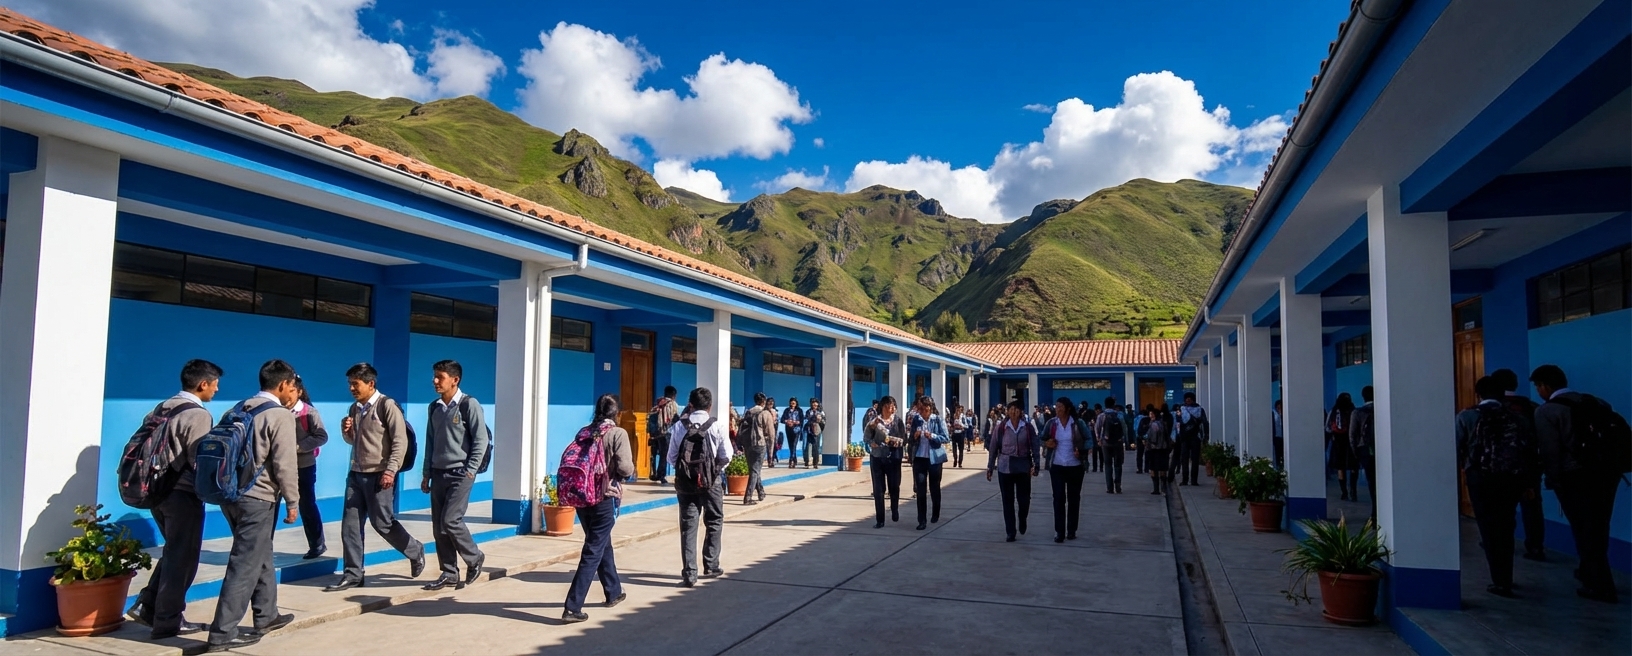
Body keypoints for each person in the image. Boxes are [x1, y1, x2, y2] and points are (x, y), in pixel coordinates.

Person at [206, 360, 300, 652]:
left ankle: (267, 614)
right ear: (283, 385)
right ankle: (222, 633)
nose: (292, 392)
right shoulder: (279, 416)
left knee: (261, 553)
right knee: (244, 563)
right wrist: (293, 502)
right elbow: (285, 464)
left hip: (231, 496)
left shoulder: (236, 409)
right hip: (258, 499)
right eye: (291, 387)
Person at [129, 360, 221, 639]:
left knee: (173, 551)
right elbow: (199, 460)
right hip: (182, 493)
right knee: (183, 558)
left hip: (156, 491)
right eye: (215, 384)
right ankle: (168, 621)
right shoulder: (198, 415)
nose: (217, 390)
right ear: (203, 384)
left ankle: (148, 604)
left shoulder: (161, 408)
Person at [325, 363, 426, 592]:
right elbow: (354, 442)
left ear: (370, 384)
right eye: (350, 383)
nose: (351, 388)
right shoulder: (355, 408)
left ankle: (414, 549)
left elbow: (400, 441)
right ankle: (353, 574)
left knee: (382, 523)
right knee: (350, 526)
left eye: (355, 384)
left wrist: (391, 470)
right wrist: (347, 431)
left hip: (380, 474)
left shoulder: (387, 406)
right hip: (356, 474)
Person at [1530, 364, 1623, 603]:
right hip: (1607, 474)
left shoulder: (1547, 412)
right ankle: (1589, 572)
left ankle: (1599, 584)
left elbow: (1550, 451)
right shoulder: (1598, 403)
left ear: (1545, 386)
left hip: (1574, 477)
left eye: (1538, 387)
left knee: (1583, 529)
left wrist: (1551, 479)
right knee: (1599, 527)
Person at [1456, 376, 1538, 598]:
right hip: (1511, 479)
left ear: (1478, 394)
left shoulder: (1468, 416)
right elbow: (1529, 451)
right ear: (1503, 395)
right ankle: (1507, 576)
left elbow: (1457, 446)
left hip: (1480, 479)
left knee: (1488, 527)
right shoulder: (1518, 418)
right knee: (1506, 525)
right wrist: (1530, 483)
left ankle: (1499, 579)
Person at [561, 394, 635, 622]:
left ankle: (613, 591)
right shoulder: (617, 433)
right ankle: (572, 607)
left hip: (582, 497)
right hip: (604, 498)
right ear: (617, 413)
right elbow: (625, 468)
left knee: (603, 544)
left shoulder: (584, 432)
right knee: (593, 550)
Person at [420, 360, 489, 591]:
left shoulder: (469, 405)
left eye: (440, 377)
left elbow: (481, 440)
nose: (435, 381)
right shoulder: (435, 407)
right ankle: (449, 573)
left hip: (461, 473)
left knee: (451, 520)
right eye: (435, 376)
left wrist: (470, 470)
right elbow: (430, 441)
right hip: (438, 473)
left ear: (455, 380)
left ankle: (474, 557)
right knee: (439, 527)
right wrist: (426, 473)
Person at [669, 387, 733, 587]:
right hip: (711, 481)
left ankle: (690, 573)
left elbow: (672, 457)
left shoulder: (679, 426)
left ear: (690, 404)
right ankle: (711, 564)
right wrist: (714, 470)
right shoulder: (717, 426)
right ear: (710, 405)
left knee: (688, 526)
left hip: (686, 482)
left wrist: (686, 470)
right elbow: (726, 456)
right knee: (714, 520)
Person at [1492, 368, 1547, 561]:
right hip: (1529, 467)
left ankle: (1499, 543)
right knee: (1532, 507)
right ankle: (1535, 547)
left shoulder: (1493, 407)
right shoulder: (1531, 406)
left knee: (1501, 510)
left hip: (1501, 469)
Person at [286, 376, 328, 560]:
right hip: (280, 467)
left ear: (299, 392)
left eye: (292, 391)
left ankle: (317, 544)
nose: (287, 396)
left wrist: (297, 447)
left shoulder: (308, 413)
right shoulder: (277, 411)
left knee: (306, 504)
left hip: (304, 466)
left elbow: (321, 436)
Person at [988, 401, 1039, 542]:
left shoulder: (1028, 428)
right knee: (1007, 501)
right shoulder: (1001, 427)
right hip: (1005, 467)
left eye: (1016, 409)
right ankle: (1010, 531)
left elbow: (1035, 446)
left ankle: (1022, 518)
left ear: (1021, 411)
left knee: (1024, 500)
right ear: (1007, 411)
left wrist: (1037, 463)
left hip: (1023, 466)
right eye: (1011, 409)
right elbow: (993, 448)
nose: (1013, 412)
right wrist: (990, 467)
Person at [1042, 398, 1090, 542]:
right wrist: (1047, 443)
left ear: (1068, 409)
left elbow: (1089, 439)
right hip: (1056, 465)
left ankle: (1071, 530)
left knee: (1074, 499)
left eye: (1061, 406)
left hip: (1075, 466)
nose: (1057, 409)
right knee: (1058, 498)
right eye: (1056, 406)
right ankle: (1059, 531)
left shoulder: (1077, 423)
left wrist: (1081, 450)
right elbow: (1041, 438)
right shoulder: (1052, 423)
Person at [864, 395, 907, 528]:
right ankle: (880, 519)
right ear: (882, 407)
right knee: (878, 489)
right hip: (877, 457)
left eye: (893, 406)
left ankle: (894, 508)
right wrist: (872, 443)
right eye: (888, 406)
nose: (891, 409)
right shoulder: (874, 421)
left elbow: (904, 439)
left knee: (894, 486)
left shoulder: (898, 421)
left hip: (894, 458)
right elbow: (866, 437)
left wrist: (896, 441)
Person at [908, 396, 949, 530]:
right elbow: (911, 439)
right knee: (920, 490)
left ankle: (936, 512)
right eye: (920, 409)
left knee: (934, 487)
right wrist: (915, 436)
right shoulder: (916, 419)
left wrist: (932, 436)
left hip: (934, 459)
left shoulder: (937, 420)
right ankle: (921, 520)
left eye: (925, 409)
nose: (923, 412)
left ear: (930, 408)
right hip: (920, 458)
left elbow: (946, 438)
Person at [740, 394, 776, 504]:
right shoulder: (766, 413)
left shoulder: (748, 412)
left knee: (754, 469)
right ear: (763, 401)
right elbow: (771, 434)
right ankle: (748, 497)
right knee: (755, 470)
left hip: (747, 444)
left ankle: (761, 492)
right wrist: (771, 454)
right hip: (759, 444)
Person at [1349, 387, 1378, 513]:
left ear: (1363, 397)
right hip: (1382, 449)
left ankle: (1374, 512)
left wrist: (1356, 453)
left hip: (1365, 450)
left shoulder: (1357, 413)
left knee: (1372, 481)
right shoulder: (1382, 410)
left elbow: (1352, 435)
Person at [1327, 393, 1358, 502]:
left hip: (1338, 442)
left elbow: (1328, 427)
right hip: (1351, 441)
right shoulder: (1354, 411)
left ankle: (1344, 492)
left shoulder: (1334, 411)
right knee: (1354, 466)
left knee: (1341, 467)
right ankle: (1353, 491)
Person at [648, 386, 680, 486]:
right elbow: (674, 418)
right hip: (667, 433)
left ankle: (657, 474)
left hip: (656, 433)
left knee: (657, 454)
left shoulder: (658, 402)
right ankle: (662, 476)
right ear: (673, 395)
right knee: (665, 455)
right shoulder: (672, 404)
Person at [1095, 397, 1128, 494]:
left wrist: (1099, 440)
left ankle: (1109, 487)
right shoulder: (1119, 415)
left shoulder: (1101, 416)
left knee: (1108, 465)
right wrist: (1124, 441)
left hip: (1106, 443)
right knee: (1118, 465)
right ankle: (1118, 486)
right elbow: (1124, 429)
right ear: (1114, 404)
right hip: (1118, 443)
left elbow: (1097, 429)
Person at [1175, 393, 1209, 486]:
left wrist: (1206, 436)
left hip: (1190, 437)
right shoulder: (1199, 410)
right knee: (1190, 459)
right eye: (1187, 399)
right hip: (1191, 437)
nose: (1188, 401)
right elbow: (1205, 423)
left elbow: (1178, 423)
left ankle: (1188, 480)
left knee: (1190, 460)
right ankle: (1191, 480)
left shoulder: (1182, 410)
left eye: (1189, 399)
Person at [1146, 407, 1173, 495]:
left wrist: (1146, 440)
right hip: (1164, 449)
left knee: (1154, 469)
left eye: (1151, 414)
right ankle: (1164, 488)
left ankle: (1156, 489)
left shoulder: (1154, 425)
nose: (1150, 416)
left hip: (1154, 449)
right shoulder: (1163, 423)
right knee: (1163, 469)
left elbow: (1152, 438)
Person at [782, 397, 806, 468]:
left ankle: (791, 460)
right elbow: (783, 419)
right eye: (791, 403)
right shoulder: (787, 410)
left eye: (794, 403)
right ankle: (794, 458)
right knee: (790, 445)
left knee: (794, 444)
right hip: (788, 429)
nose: (792, 404)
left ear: (796, 403)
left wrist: (796, 422)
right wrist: (787, 421)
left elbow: (802, 420)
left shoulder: (799, 410)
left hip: (796, 429)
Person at [804, 398, 826, 468]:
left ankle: (815, 462)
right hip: (809, 431)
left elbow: (823, 422)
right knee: (808, 446)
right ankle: (807, 461)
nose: (814, 405)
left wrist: (819, 427)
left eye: (816, 403)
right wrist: (812, 420)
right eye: (813, 403)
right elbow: (806, 419)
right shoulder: (808, 411)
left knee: (816, 447)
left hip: (817, 431)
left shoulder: (821, 412)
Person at [1134, 405, 1151, 474]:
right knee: (1147, 454)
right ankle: (1147, 468)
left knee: (1139, 454)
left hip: (1139, 437)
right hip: (1148, 438)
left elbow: (1135, 428)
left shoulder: (1137, 419)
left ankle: (1139, 468)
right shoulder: (1151, 419)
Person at [1272, 400, 1285, 471]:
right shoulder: (1273, 414)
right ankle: (1277, 466)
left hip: (1282, 437)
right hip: (1276, 436)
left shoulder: (1282, 414)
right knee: (1277, 453)